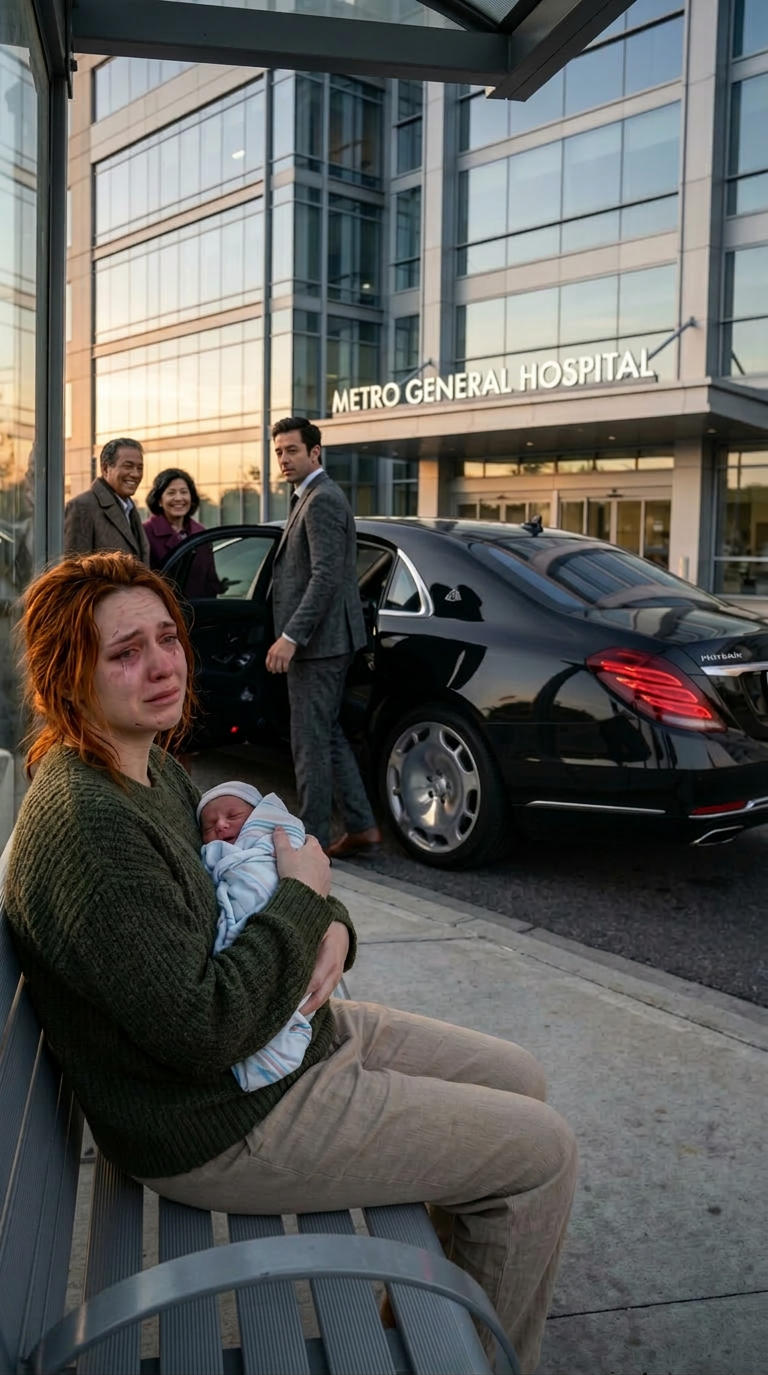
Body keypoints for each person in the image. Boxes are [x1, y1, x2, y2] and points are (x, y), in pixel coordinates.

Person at [5, 551, 577, 1374]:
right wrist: (313, 900)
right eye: (125, 652)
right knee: (541, 1158)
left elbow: (265, 877)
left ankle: (414, 1333)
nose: (163, 663)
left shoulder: (151, 766)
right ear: (69, 673)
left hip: (282, 1038)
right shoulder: (91, 827)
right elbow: (207, 1026)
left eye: (168, 636)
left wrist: (334, 925)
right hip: (221, 1121)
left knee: (521, 1075)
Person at [267, 416, 381, 858]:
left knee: (309, 743)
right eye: (278, 452)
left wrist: (292, 635)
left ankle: (308, 844)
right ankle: (362, 826)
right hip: (327, 641)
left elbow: (327, 577)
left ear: (315, 452)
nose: (283, 459)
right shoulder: (309, 497)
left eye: (291, 450)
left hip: (319, 645)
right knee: (326, 735)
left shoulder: (322, 500)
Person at [198, 780, 313, 1089]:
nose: (221, 826)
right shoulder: (218, 854)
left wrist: (329, 917)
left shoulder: (274, 841)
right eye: (209, 826)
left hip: (285, 919)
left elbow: (310, 874)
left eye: (233, 815)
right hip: (259, 943)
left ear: (260, 816)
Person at [64, 437, 150, 564]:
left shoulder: (129, 508)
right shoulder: (82, 507)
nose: (136, 474)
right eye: (128, 466)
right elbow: (74, 572)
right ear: (105, 469)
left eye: (140, 468)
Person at [143, 467, 222, 599]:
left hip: (199, 612)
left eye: (184, 492)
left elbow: (210, 580)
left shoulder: (200, 532)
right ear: (159, 500)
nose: (179, 498)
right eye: (171, 493)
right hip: (161, 612)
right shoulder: (145, 532)